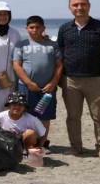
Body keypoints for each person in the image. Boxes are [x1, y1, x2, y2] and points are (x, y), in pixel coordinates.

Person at [57, 0, 100, 159]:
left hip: (96, 79)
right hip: (70, 79)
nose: (79, 7)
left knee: (99, 116)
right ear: (70, 8)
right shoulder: (64, 29)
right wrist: (57, 77)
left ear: (89, 6)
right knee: (72, 116)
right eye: (75, 5)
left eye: (82, 4)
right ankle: (76, 147)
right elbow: (60, 54)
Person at [13, 16, 63, 153]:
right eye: (31, 27)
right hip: (26, 87)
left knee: (44, 116)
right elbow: (17, 65)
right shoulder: (21, 45)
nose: (35, 30)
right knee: (25, 115)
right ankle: (26, 144)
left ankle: (41, 144)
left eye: (38, 27)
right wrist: (28, 82)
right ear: (27, 29)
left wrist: (53, 83)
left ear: (43, 28)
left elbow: (59, 66)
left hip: (47, 88)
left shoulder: (53, 45)